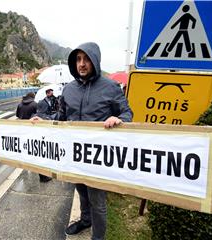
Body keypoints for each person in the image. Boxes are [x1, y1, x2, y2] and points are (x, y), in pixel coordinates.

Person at [31, 42, 133, 240]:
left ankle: (98, 238)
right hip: (73, 156)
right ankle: (85, 220)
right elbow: (61, 117)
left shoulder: (111, 87)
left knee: (98, 202)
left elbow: (127, 112)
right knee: (81, 191)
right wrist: (43, 120)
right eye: (78, 59)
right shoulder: (68, 89)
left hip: (99, 158)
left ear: (95, 60)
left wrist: (120, 119)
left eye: (86, 59)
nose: (82, 64)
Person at [16, 92, 52, 183]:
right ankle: (43, 177)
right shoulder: (34, 104)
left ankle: (28, 167)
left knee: (27, 151)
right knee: (38, 153)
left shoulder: (20, 105)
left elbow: (17, 116)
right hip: (34, 132)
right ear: (33, 97)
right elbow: (39, 116)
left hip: (23, 131)